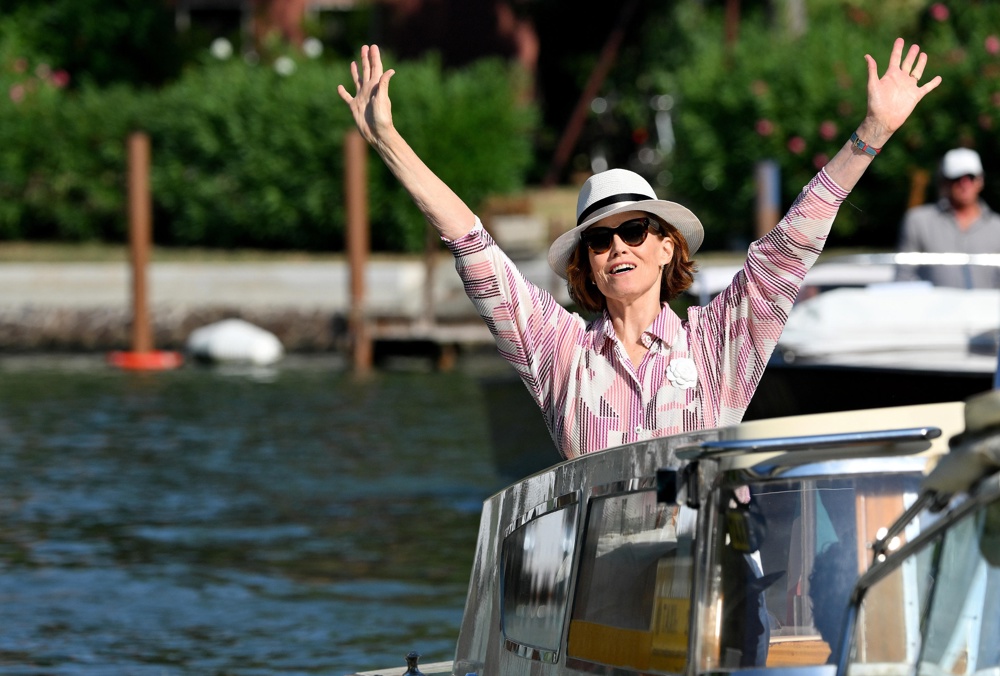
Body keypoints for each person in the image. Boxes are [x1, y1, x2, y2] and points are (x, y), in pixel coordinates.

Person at [338, 39, 941, 460]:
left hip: (702, 590)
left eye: (634, 232)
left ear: (665, 248)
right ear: (587, 266)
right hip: (600, 601)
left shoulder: (717, 341)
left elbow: (793, 242)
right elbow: (472, 247)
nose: (617, 248)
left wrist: (872, 135)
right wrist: (389, 142)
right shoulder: (560, 351)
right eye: (599, 240)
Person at [896, 147, 1000, 288]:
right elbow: (903, 278)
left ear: (980, 181)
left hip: (986, 310)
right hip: (932, 309)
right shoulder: (918, 221)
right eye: (956, 178)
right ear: (944, 182)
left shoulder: (997, 226)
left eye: (970, 177)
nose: (964, 184)